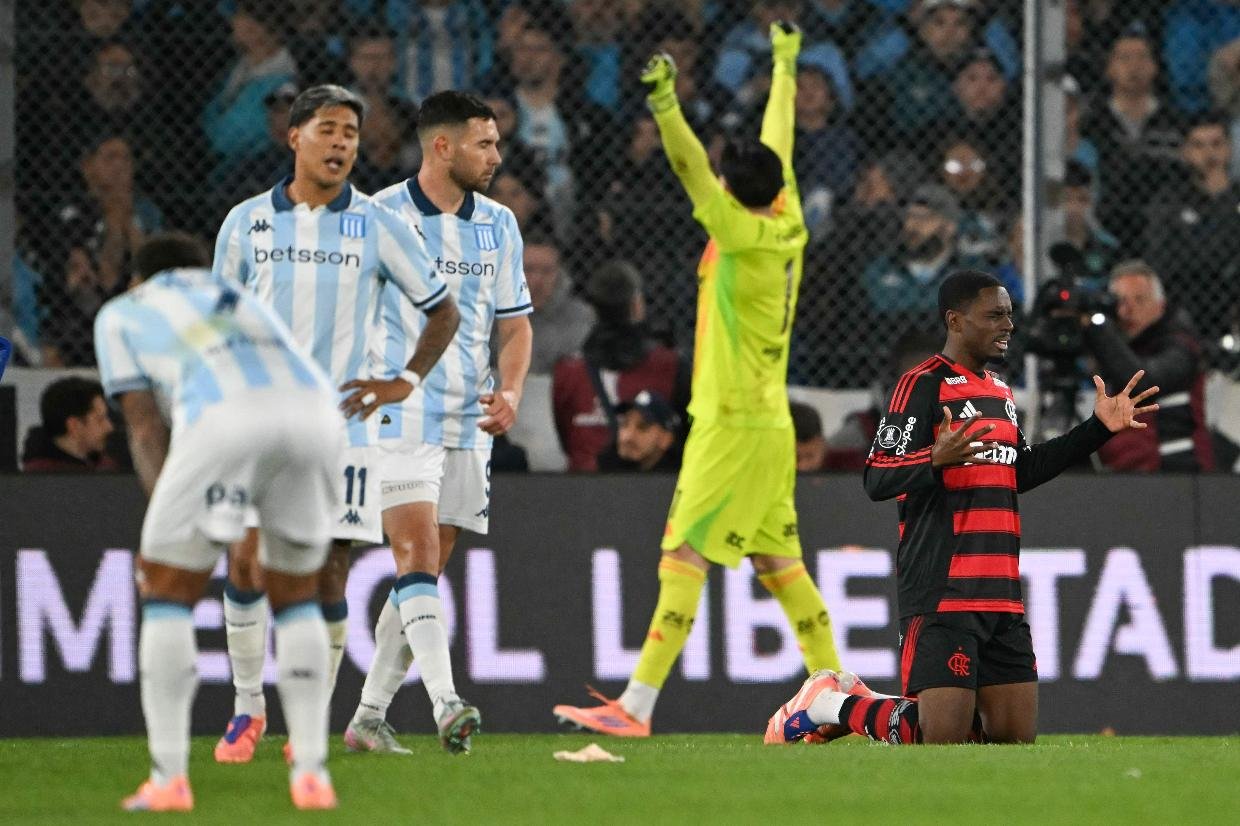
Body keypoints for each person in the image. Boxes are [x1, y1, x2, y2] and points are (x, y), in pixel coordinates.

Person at [553, 23, 843, 737]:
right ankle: (841, 697)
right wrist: (785, 63)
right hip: (769, 421)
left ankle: (636, 707)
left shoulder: (737, 232)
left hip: (730, 422)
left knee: (682, 555)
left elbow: (687, 167)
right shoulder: (789, 218)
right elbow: (780, 140)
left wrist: (664, 103)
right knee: (781, 564)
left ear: (731, 191)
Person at [765, 270, 1157, 746]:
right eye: (994, 315)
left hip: (1001, 592)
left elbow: (1020, 471)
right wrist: (933, 459)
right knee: (941, 737)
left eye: (1009, 315)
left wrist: (1096, 429)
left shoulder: (1000, 391)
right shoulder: (921, 385)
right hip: (943, 588)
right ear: (955, 320)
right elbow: (877, 476)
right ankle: (830, 704)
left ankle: (861, 704)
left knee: (1012, 738)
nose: (1007, 325)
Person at [211, 84, 460, 763]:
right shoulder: (246, 223)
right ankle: (247, 709)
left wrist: (404, 381)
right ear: (294, 136)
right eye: (328, 129)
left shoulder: (377, 225)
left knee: (328, 575)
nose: (342, 142)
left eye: (351, 132)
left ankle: (308, 724)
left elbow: (443, 309)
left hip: (343, 431)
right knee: (247, 559)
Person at [96, 232, 344, 811]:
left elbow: (143, 426)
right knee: (297, 596)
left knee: (166, 593)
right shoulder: (240, 297)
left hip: (223, 417)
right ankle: (312, 774)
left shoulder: (124, 311)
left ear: (138, 278)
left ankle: (168, 780)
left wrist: (165, 524)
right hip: (319, 416)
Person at [344, 90, 533, 755]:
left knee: (423, 573)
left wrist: (511, 390)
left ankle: (368, 717)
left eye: (497, 143)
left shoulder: (500, 224)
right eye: (485, 144)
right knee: (416, 555)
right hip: (399, 414)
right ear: (442, 146)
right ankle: (446, 701)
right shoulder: (377, 217)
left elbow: (515, 324)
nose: (496, 156)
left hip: (467, 419)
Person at [552, 260, 690, 472]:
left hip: (582, 484)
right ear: (636, 305)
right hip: (655, 483)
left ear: (593, 310)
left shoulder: (568, 372)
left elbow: (566, 437)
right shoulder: (670, 366)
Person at [1084, 261, 1215, 472]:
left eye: (1139, 300)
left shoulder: (1180, 346)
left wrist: (1098, 330)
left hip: (1176, 473)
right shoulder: (1118, 348)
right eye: (1120, 301)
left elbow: (1143, 383)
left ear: (1160, 305)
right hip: (1126, 473)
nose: (1128, 310)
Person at [1143, 111, 1240, 349]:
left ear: (1229, 149)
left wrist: (1223, 199)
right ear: (1186, 152)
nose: (1209, 154)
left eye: (1216, 144)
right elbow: (1164, 260)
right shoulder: (1169, 202)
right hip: (1184, 306)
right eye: (1199, 145)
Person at [524, 231, 593, 374]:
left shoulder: (580, 317)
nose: (537, 280)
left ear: (559, 274)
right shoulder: (490, 315)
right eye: (528, 270)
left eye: (546, 271)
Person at [21, 377, 117, 472]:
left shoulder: (104, 465)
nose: (109, 427)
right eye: (100, 420)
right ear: (74, 426)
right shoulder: (43, 476)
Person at [596, 390, 683, 472]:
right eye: (624, 424)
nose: (628, 436)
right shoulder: (605, 470)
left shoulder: (683, 477)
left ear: (666, 439)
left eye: (642, 427)